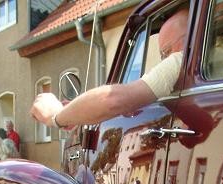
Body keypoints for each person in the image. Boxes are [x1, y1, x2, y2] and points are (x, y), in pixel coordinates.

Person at [30, 8, 188, 129]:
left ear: (187, 39)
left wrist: (55, 116)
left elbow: (113, 100)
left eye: (165, 52)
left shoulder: (182, 60)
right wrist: (75, 112)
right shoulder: (199, 69)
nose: (164, 60)